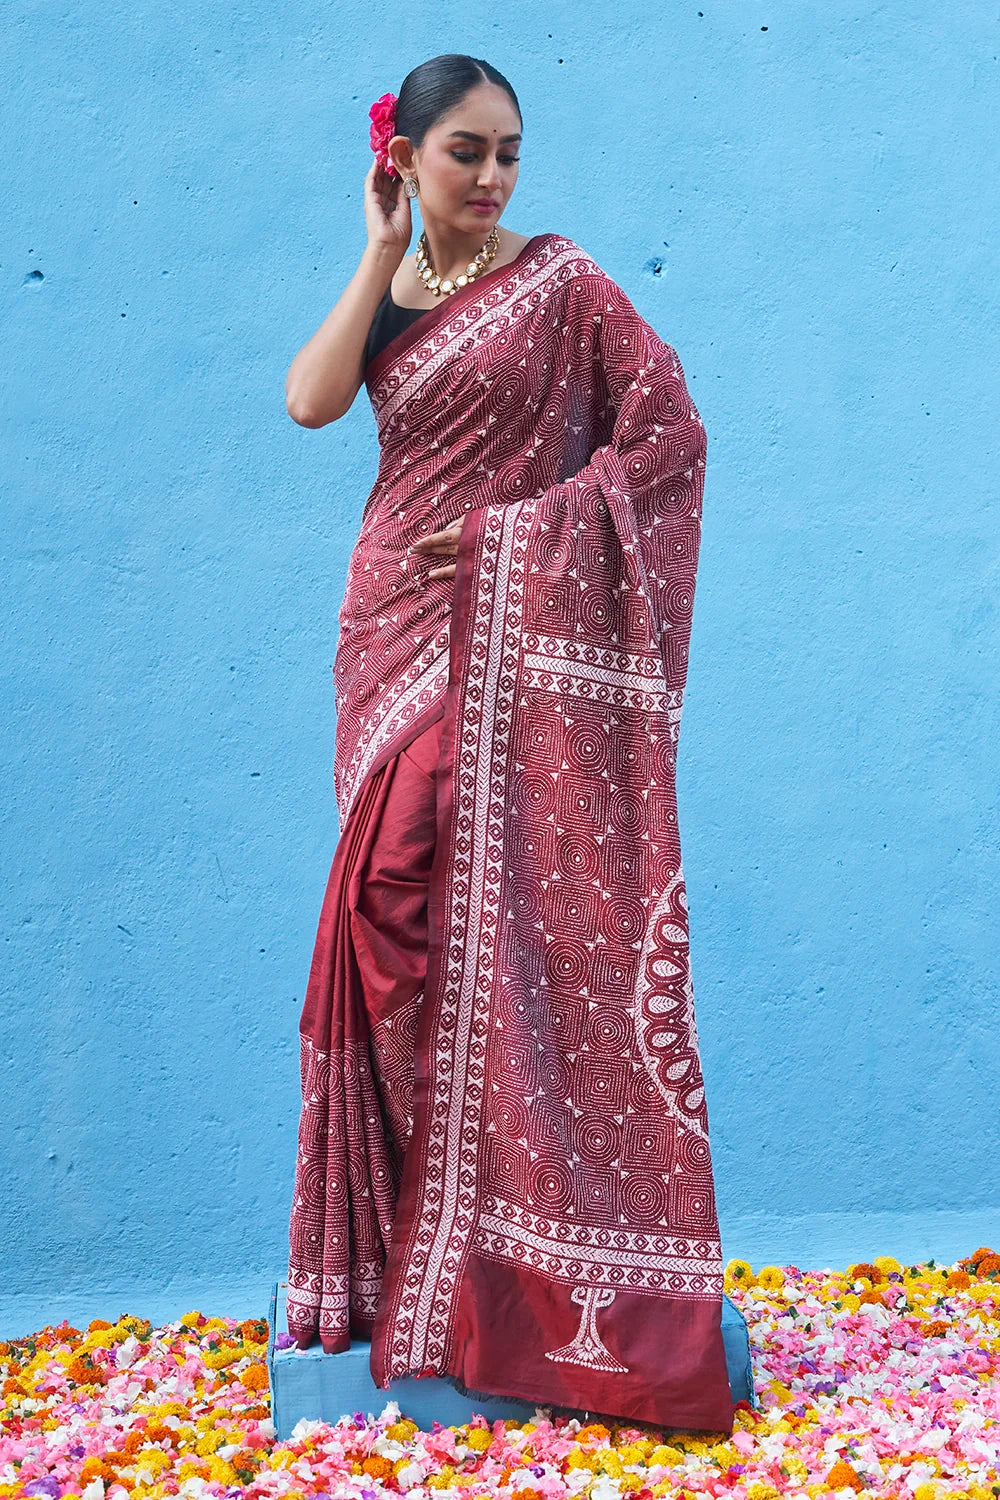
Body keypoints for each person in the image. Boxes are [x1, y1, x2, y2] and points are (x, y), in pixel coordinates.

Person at [283, 53, 733, 1434]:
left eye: (509, 156)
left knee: (440, 912)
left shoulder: (570, 283)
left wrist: (508, 543)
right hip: (389, 638)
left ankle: (491, 1259)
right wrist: (378, 255)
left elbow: (671, 445)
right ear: (404, 159)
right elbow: (311, 401)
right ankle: (419, 1246)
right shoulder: (400, 288)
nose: (491, 181)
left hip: (502, 629)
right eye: (465, 154)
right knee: (375, 922)